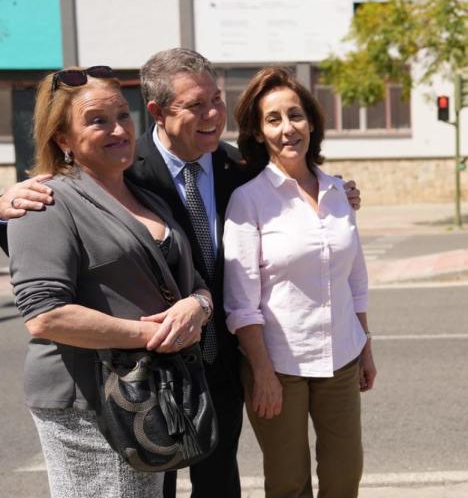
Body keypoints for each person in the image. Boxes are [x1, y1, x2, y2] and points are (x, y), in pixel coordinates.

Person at [0, 48, 362, 498]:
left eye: (216, 100)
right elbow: (54, 243)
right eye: (195, 105)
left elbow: (292, 192)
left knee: (219, 482)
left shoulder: (238, 168)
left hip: (220, 358)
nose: (212, 114)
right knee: (153, 486)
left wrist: (338, 192)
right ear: (156, 111)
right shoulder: (128, 167)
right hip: (136, 378)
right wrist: (4, 209)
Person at [8, 67, 213, 498]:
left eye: (123, 114)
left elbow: (193, 283)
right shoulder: (47, 202)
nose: (118, 128)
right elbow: (45, 316)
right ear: (62, 139)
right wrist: (149, 334)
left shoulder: (146, 196)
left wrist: (198, 307)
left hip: (147, 391)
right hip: (87, 405)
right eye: (97, 120)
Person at [222, 66, 375, 498]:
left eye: (296, 115)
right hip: (279, 367)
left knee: (345, 477)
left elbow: (355, 278)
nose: (288, 128)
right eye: (274, 119)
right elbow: (241, 302)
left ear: (312, 122)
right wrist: (262, 372)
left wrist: (365, 344)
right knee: (289, 485)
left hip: (341, 358)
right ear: (258, 130)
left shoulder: (337, 191)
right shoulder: (248, 200)